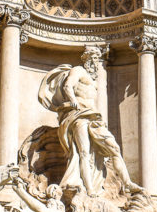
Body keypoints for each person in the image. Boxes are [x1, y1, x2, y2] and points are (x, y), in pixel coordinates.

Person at [38, 47, 138, 196]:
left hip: (93, 117)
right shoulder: (78, 70)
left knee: (114, 148)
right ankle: (90, 189)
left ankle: (127, 183)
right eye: (91, 59)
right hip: (78, 115)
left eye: (96, 59)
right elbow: (67, 86)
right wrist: (73, 101)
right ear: (85, 60)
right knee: (83, 152)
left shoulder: (95, 82)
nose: (94, 62)